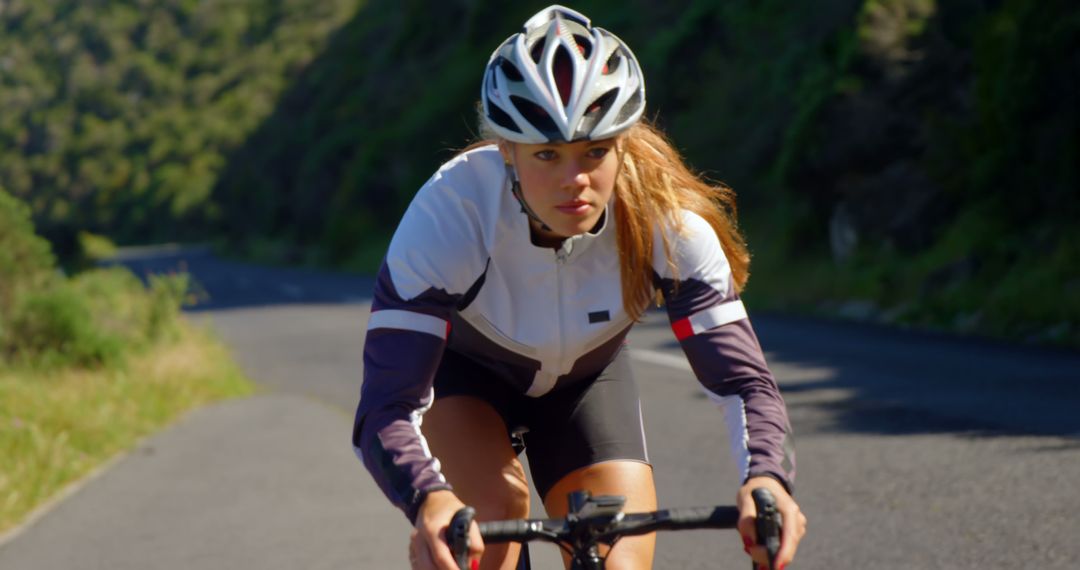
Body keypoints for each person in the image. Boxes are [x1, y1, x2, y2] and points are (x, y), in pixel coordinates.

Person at [352, 5, 806, 569]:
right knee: (489, 526)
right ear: (506, 152)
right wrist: (430, 498)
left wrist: (767, 480)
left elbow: (743, 384)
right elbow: (385, 408)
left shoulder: (666, 222)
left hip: (585, 386)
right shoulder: (450, 214)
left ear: (623, 145)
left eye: (595, 151)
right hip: (463, 380)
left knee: (617, 558)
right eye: (547, 155)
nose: (575, 181)